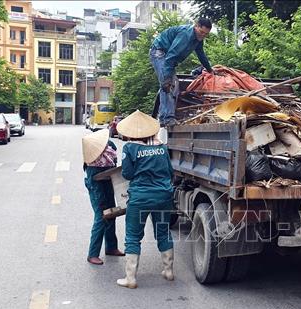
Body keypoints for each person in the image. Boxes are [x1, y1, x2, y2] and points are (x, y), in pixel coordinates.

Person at [115, 110, 175, 289]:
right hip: (163, 196)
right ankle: (168, 271)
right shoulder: (161, 147)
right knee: (163, 232)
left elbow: (127, 174)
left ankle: (131, 279)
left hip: (140, 198)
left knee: (133, 237)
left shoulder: (130, 148)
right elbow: (170, 172)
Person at [150, 17, 214, 127]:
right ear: (196, 26)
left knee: (173, 85)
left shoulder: (198, 39)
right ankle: (166, 119)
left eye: (206, 34)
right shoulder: (186, 35)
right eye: (201, 32)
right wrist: (167, 77)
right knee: (168, 85)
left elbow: (201, 55)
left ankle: (165, 117)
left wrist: (210, 70)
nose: (203, 35)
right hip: (159, 52)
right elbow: (171, 56)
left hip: (167, 57)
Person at [81, 129, 124, 265]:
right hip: (96, 185)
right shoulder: (91, 155)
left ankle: (111, 247)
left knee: (111, 213)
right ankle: (92, 253)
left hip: (108, 181)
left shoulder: (110, 145)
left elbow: (114, 160)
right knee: (101, 216)